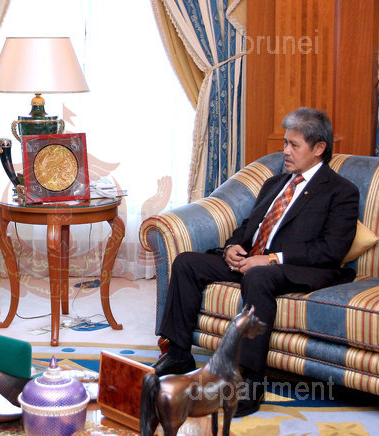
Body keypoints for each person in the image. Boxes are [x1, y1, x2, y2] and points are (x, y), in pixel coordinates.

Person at [153, 107, 359, 416]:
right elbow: (250, 225)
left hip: (299, 269)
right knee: (186, 262)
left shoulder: (341, 191)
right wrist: (233, 246)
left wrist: (271, 260)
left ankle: (249, 382)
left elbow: (331, 250)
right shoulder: (275, 183)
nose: (285, 151)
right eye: (285, 143)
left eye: (294, 145)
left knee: (258, 276)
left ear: (319, 148)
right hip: (253, 260)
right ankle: (179, 353)